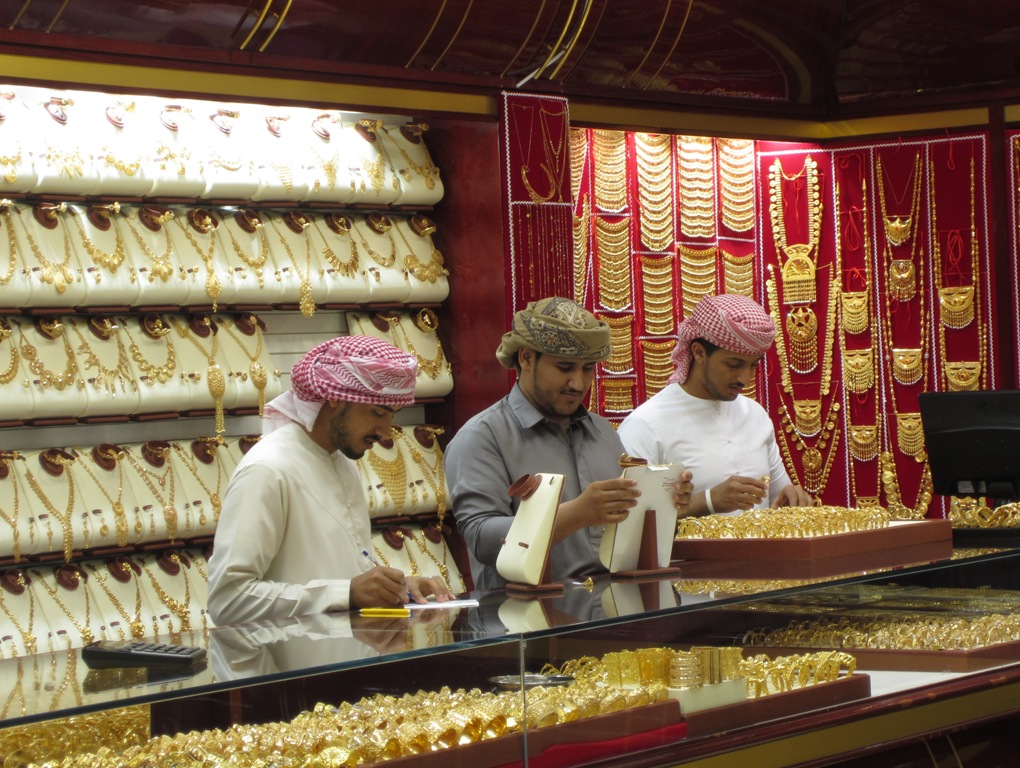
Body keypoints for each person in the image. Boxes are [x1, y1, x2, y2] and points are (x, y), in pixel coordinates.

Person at [445, 296, 693, 591]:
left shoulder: (602, 431)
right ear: (526, 358)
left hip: (608, 617)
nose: (578, 383)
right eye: (565, 368)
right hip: (528, 623)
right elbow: (482, 540)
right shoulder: (482, 437)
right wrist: (575, 514)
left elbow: (625, 536)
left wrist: (666, 503)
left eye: (587, 369)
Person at [207, 336, 453, 626]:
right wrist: (345, 594)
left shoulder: (341, 462)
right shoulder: (268, 470)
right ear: (335, 397)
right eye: (377, 412)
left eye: (391, 415)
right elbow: (228, 600)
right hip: (288, 670)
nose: (386, 432)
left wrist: (395, 590)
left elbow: (340, 575)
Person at [618, 293, 812, 516]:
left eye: (753, 365)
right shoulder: (646, 425)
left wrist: (792, 498)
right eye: (734, 364)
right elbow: (630, 522)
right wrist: (707, 501)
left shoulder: (755, 415)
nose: (745, 378)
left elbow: (778, 498)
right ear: (699, 353)